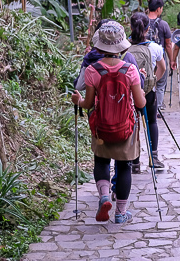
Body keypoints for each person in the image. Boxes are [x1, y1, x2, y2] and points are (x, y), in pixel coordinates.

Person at [71, 21, 146, 224]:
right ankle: (121, 214)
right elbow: (140, 102)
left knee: (101, 161)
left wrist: (78, 100)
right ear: (120, 45)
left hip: (101, 128)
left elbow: (87, 104)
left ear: (99, 45)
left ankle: (104, 195)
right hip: (126, 128)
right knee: (124, 167)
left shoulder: (92, 70)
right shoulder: (130, 69)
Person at [128, 11, 167, 173]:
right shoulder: (155, 48)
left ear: (130, 27)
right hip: (148, 91)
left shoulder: (124, 47)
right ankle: (154, 157)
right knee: (151, 121)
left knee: (133, 124)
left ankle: (134, 161)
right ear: (147, 29)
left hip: (129, 92)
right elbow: (162, 68)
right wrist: (152, 82)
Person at [147, 0, 174, 110]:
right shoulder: (163, 25)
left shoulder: (141, 22)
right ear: (158, 9)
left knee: (146, 82)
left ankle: (147, 106)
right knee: (161, 84)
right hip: (159, 59)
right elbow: (168, 44)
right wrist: (171, 60)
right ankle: (158, 107)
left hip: (145, 58)